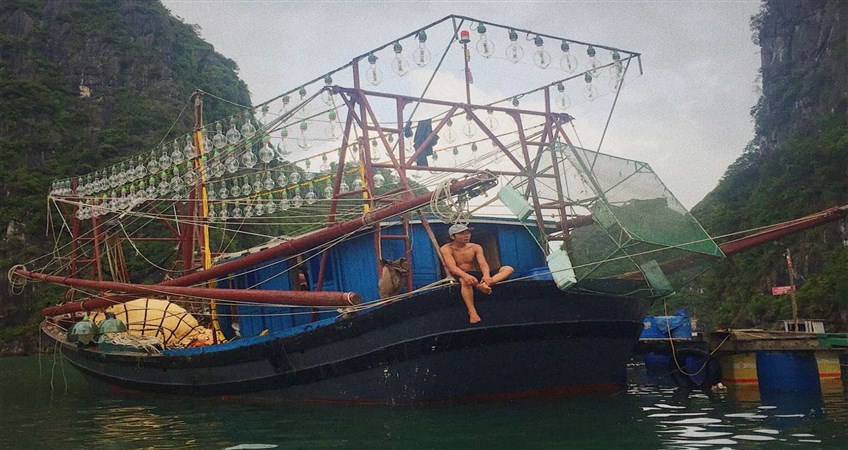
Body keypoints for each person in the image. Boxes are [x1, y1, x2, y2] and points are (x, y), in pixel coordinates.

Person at [439, 224, 513, 323]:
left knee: (508, 269)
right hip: (461, 274)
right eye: (461, 233)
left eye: (468, 233)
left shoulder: (475, 247)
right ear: (453, 236)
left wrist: (486, 276)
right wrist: (465, 275)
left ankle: (485, 285)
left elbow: (483, 263)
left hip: (476, 274)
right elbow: (452, 267)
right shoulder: (446, 248)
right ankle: (472, 312)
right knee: (465, 281)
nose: (466, 236)